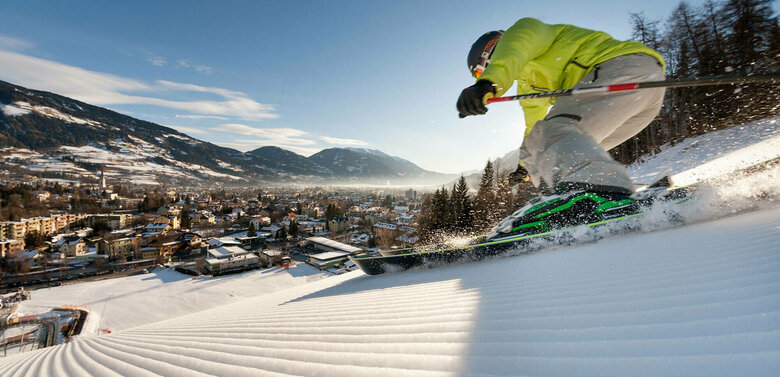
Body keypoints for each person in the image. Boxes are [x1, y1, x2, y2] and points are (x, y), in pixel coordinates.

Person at [457, 17, 666, 233]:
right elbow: (534, 128)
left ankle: (597, 195)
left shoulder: (524, 31)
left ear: (490, 53)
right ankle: (568, 202)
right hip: (640, 96)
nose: (482, 76)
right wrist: (524, 166)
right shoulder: (528, 82)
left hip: (622, 68)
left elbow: (515, 48)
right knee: (543, 146)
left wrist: (487, 83)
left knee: (557, 132)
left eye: (481, 71)